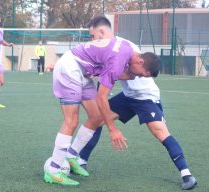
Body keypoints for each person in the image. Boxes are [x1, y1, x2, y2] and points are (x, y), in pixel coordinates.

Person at [77, 15, 197, 190]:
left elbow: (124, 74)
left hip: (146, 97)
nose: (92, 40)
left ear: (101, 32)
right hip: (127, 96)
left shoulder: (125, 47)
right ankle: (80, 161)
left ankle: (187, 175)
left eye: (92, 36)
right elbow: (110, 76)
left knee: (160, 132)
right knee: (96, 119)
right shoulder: (108, 48)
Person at [43, 27, 161, 186]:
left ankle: (71, 156)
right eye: (141, 74)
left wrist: (131, 74)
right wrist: (113, 129)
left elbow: (113, 68)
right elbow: (102, 97)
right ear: (140, 61)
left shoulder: (127, 48)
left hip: (82, 71)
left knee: (96, 117)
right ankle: (53, 170)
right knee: (71, 121)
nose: (137, 77)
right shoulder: (118, 62)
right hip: (70, 68)